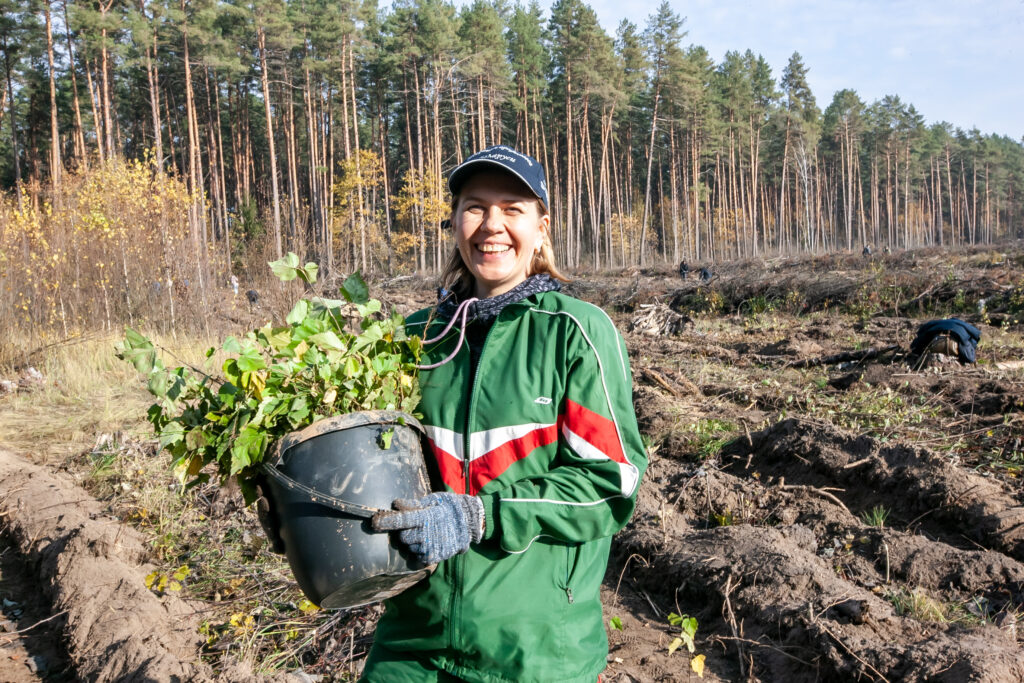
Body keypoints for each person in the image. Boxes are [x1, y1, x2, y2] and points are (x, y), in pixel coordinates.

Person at [363, 145, 648, 682]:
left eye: (512, 208)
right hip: (412, 640)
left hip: (534, 650)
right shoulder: (416, 337)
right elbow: (375, 465)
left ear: (541, 228)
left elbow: (612, 483)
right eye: (475, 207)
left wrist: (480, 515)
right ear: (454, 223)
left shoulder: (574, 332)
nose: (491, 225)